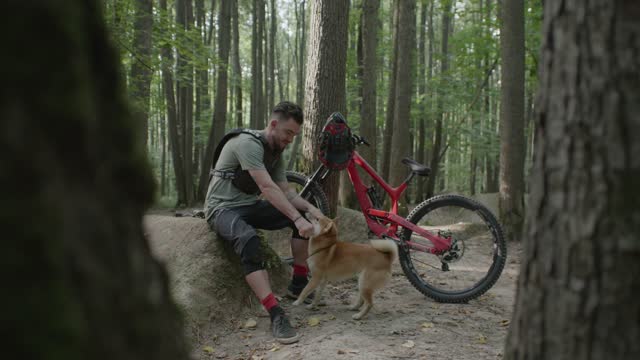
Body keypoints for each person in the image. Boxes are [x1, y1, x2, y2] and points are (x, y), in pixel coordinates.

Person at [204, 101, 323, 344]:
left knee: (300, 216)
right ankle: (275, 312)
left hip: (247, 206)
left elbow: (287, 192)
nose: (290, 139)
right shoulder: (248, 143)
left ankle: (299, 282)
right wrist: (298, 218)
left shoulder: (275, 152)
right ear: (273, 124)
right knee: (249, 240)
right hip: (221, 208)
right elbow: (267, 188)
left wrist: (311, 210)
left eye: (295, 135)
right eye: (288, 132)